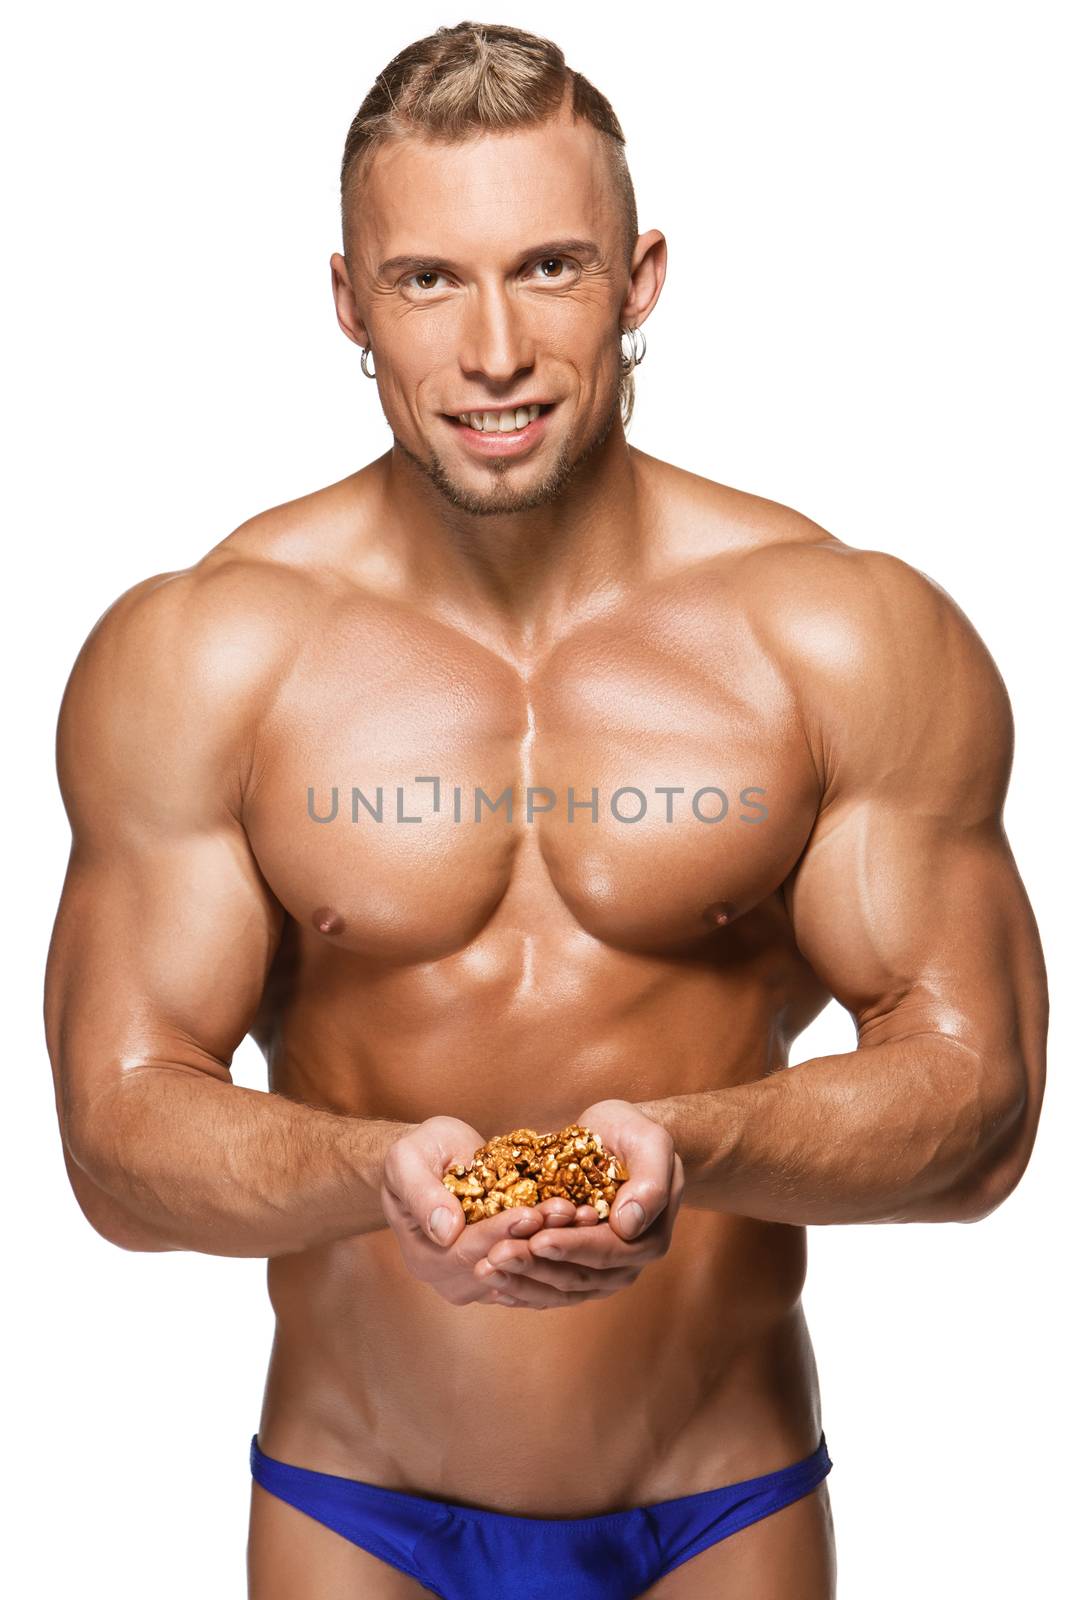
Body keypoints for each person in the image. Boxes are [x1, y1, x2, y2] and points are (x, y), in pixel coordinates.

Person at [43, 20, 1047, 1600]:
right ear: (347, 300)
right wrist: (378, 1173)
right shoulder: (205, 652)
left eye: (551, 268)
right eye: (428, 280)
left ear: (641, 278)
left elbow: (979, 1117)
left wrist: (696, 1146)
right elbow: (115, 1146)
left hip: (720, 1502)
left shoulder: (842, 636)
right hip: (353, 1502)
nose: (493, 349)